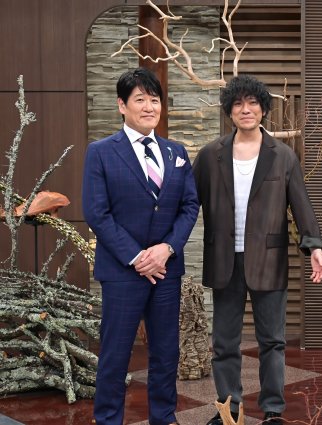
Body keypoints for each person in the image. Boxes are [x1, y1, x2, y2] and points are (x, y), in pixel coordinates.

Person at [192, 74, 322, 425]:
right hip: (223, 260)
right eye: (238, 103)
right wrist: (167, 243)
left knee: (272, 342)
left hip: (269, 260)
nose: (246, 109)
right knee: (224, 342)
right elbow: (188, 205)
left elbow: (301, 205)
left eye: (253, 103)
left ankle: (272, 410)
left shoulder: (282, 156)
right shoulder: (210, 155)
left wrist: (314, 246)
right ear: (229, 111)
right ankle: (228, 409)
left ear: (264, 109)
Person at [82, 67, 199, 425]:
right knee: (115, 354)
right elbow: (97, 213)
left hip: (166, 270)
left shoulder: (176, 151)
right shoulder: (101, 152)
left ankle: (164, 417)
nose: (149, 107)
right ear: (122, 105)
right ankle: (108, 419)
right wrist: (136, 257)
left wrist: (167, 249)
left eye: (154, 100)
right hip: (122, 272)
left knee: (166, 353)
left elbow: (189, 206)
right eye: (140, 100)